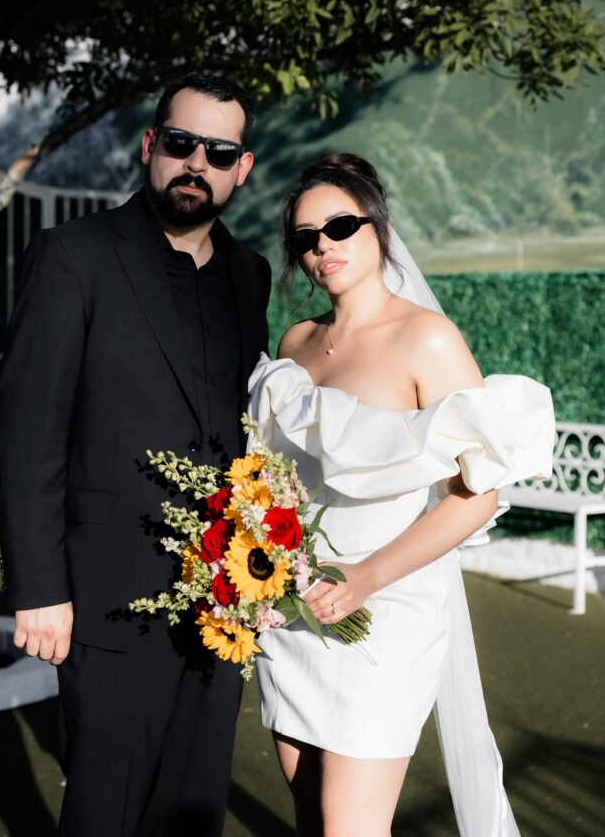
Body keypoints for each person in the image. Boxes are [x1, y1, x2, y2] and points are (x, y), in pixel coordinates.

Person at [0, 73, 271, 836]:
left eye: (218, 152)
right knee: (103, 813)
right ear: (151, 146)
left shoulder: (250, 276)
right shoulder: (72, 255)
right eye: (180, 144)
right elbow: (26, 432)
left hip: (222, 600)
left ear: (240, 168)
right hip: (107, 595)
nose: (196, 164)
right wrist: (38, 587)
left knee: (191, 811)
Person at [248, 152, 555, 837]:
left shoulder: (429, 339)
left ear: (377, 228)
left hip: (385, 613)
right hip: (294, 615)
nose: (321, 246)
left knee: (347, 829)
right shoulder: (295, 342)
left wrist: (364, 577)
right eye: (303, 237)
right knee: (307, 817)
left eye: (339, 226)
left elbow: (476, 496)